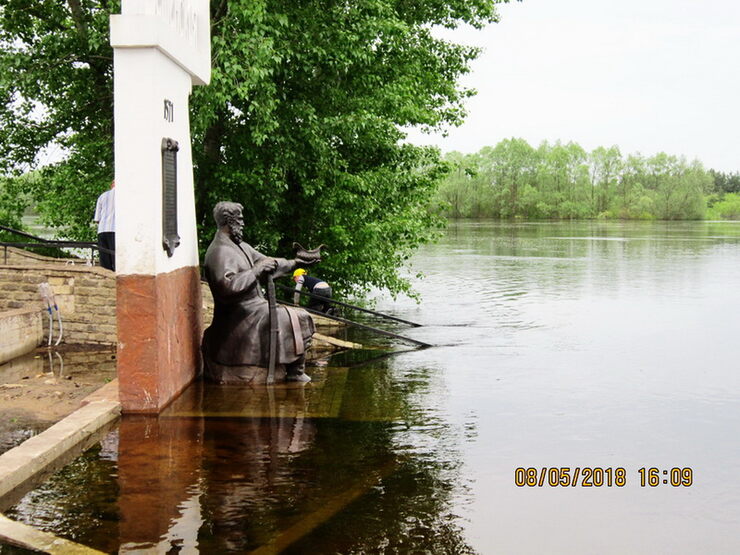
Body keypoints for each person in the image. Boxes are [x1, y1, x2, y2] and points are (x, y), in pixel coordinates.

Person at [202, 201, 317, 383]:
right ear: (228, 221)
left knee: (300, 315)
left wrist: (296, 263)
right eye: (239, 220)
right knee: (289, 316)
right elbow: (227, 287)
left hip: (256, 307)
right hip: (238, 315)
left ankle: (295, 371)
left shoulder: (241, 246)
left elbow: (268, 262)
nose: (243, 224)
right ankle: (294, 370)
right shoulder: (219, 252)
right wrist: (256, 270)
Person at [93, 180, 115, 271]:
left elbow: (97, 219)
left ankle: (106, 278)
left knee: (105, 259)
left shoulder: (102, 196)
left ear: (111, 185)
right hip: (115, 230)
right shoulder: (124, 196)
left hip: (102, 230)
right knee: (115, 257)